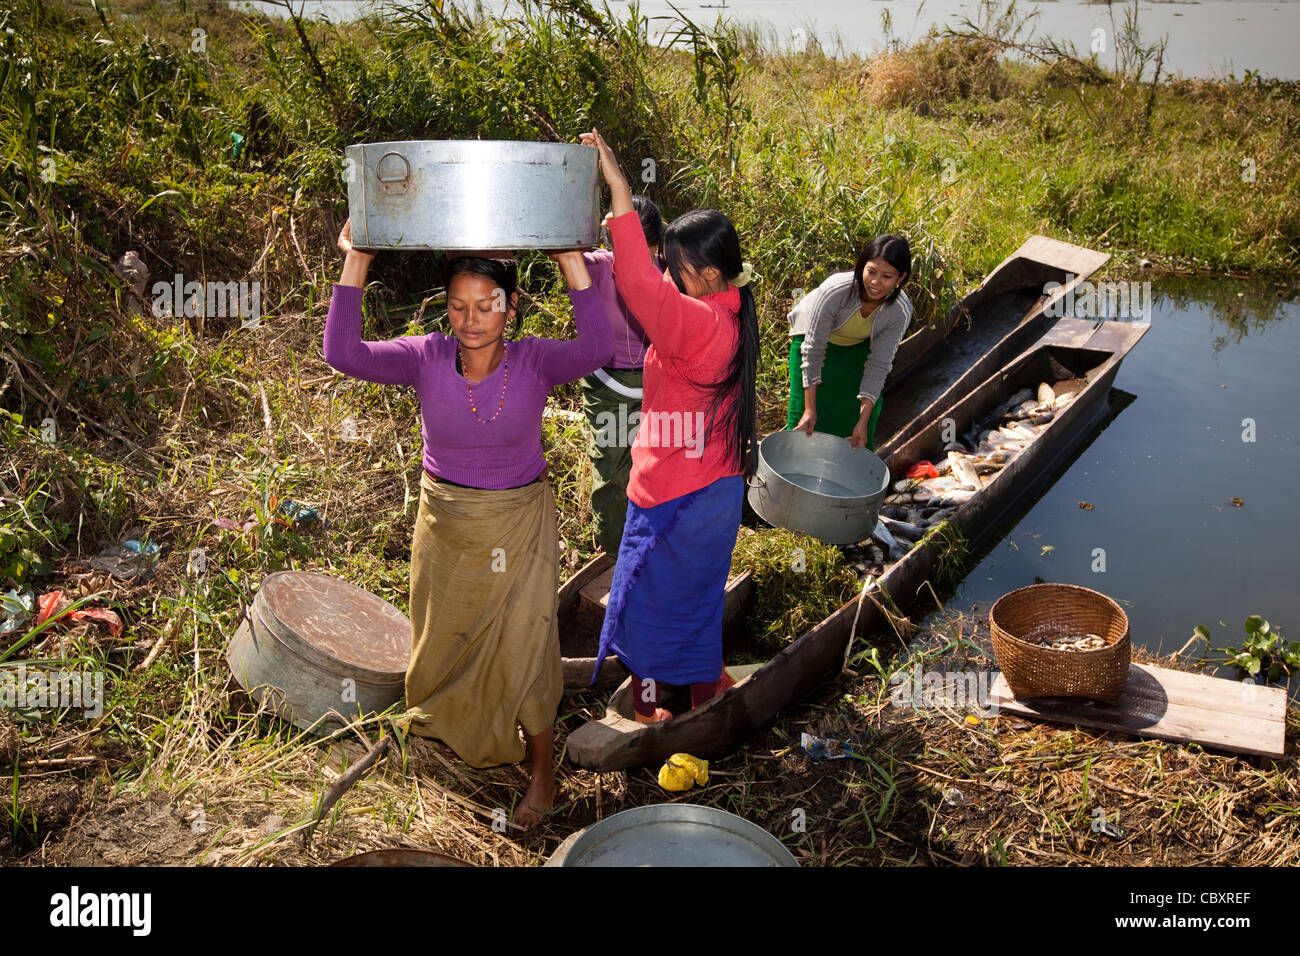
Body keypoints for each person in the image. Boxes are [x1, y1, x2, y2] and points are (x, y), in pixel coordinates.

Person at [323, 220, 613, 827]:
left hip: (518, 525)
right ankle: (436, 739)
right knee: (441, 637)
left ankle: (541, 770)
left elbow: (596, 349)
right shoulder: (425, 355)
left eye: (487, 305)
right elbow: (341, 354)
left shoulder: (534, 359)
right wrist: (358, 259)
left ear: (510, 307)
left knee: (528, 645)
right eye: (458, 305)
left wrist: (568, 258)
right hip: (448, 525)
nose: (471, 318)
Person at [579, 128, 759, 725]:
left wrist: (620, 191)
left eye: (676, 267)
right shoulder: (729, 312)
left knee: (648, 608)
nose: (668, 274)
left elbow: (638, 285)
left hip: (677, 496)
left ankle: (649, 710)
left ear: (707, 274)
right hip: (714, 489)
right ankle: (709, 691)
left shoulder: (701, 326)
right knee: (692, 603)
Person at [580, 196, 664, 555]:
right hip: (608, 384)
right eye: (624, 248)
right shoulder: (597, 268)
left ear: (657, 245)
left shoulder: (672, 271)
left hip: (657, 381)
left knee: (652, 464)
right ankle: (613, 548)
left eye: (642, 250)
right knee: (613, 467)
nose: (633, 262)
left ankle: (649, 539)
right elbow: (563, 252)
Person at [787, 235, 913, 450]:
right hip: (811, 341)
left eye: (887, 276)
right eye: (871, 271)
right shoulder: (837, 290)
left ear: (900, 278)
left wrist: (862, 422)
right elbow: (813, 350)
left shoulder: (899, 310)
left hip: (856, 347)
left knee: (854, 417)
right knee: (804, 417)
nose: (875, 282)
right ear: (862, 266)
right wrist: (810, 409)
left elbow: (879, 366)